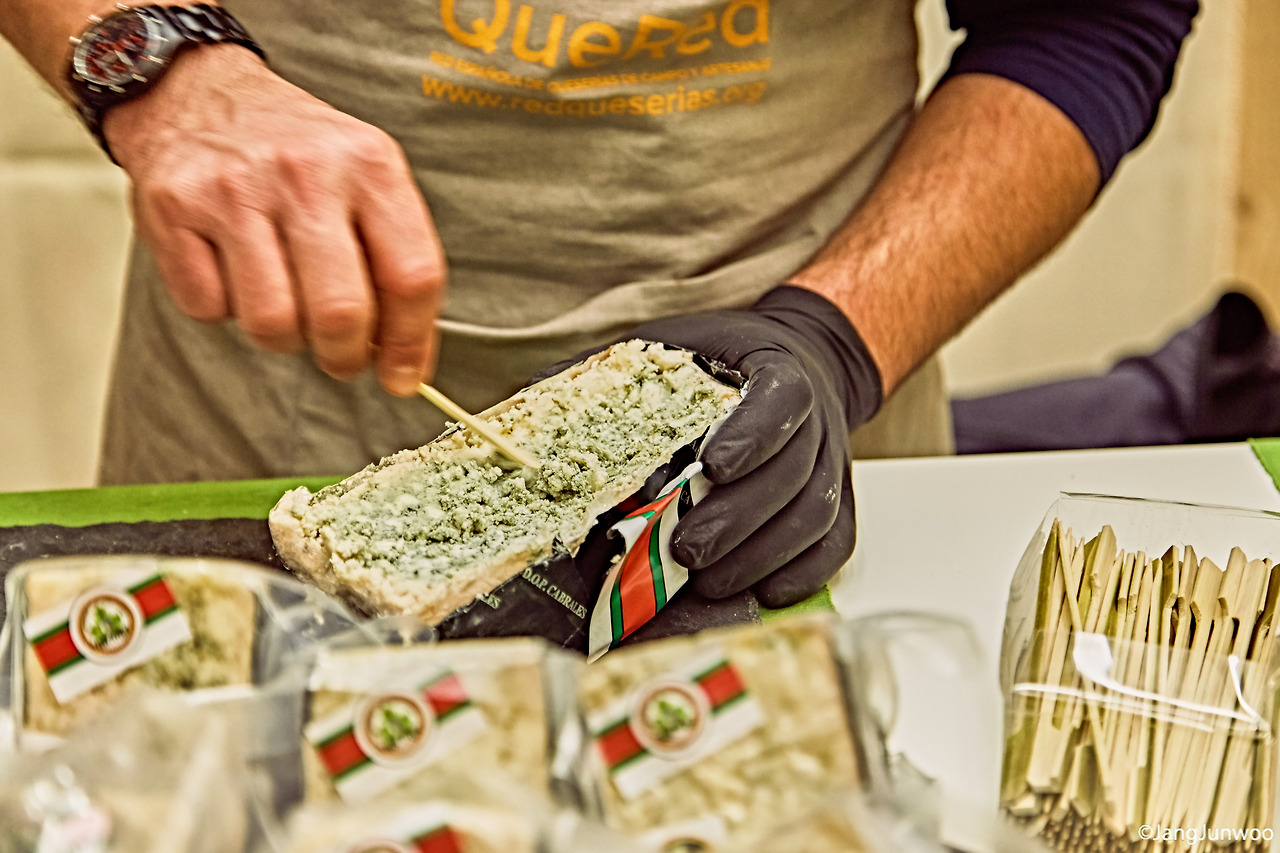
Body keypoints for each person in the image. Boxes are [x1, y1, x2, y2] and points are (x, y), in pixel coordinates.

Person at [0, 0, 1198, 607]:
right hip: (266, 405)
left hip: (782, 433)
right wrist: (156, 60)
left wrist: (833, 338)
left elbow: (1085, 23)